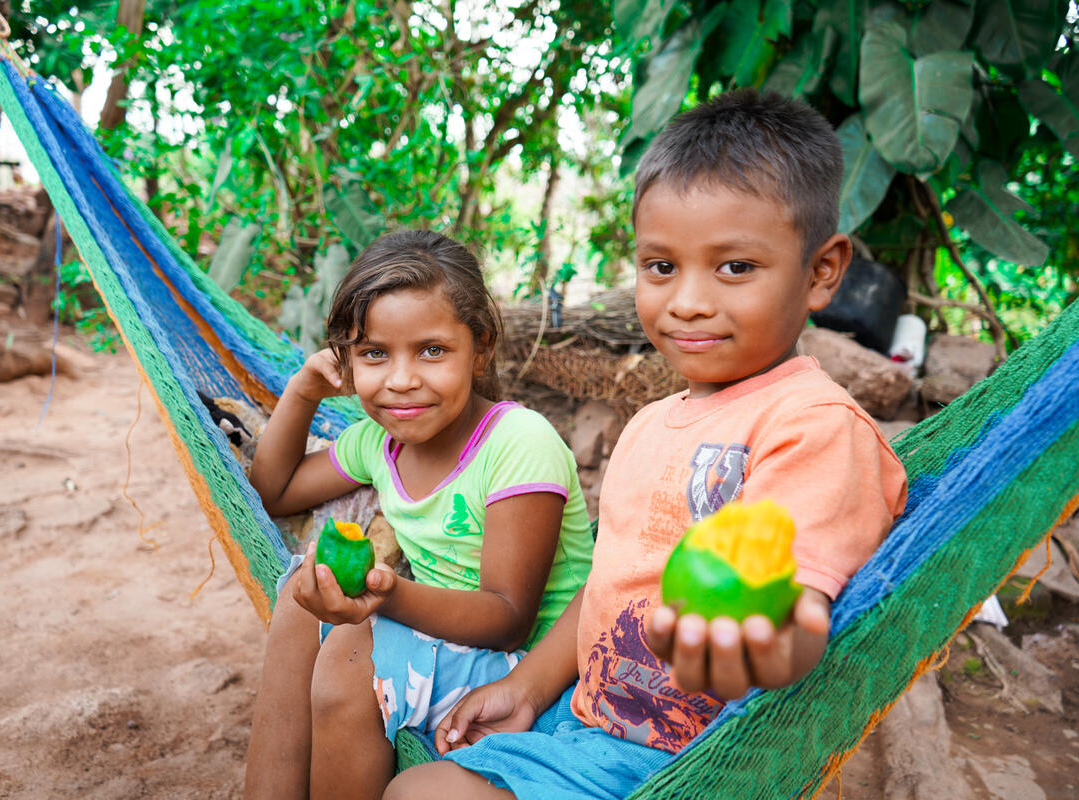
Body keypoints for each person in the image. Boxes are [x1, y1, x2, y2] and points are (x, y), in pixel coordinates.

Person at [384, 90, 909, 800]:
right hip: (582, 727)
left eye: (734, 268)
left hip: (687, 767)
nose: (687, 300)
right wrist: (526, 688)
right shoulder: (648, 425)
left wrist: (761, 644)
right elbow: (609, 588)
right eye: (661, 267)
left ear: (822, 272)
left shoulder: (811, 425)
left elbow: (801, 610)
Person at [243, 230, 594, 800]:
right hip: (448, 642)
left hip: (532, 669)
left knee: (351, 657)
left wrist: (384, 599)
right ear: (347, 361)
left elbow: (509, 617)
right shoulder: (376, 443)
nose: (402, 379)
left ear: (479, 348)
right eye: (374, 354)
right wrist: (304, 389)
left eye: (431, 350)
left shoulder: (517, 443)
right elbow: (274, 491)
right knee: (298, 595)